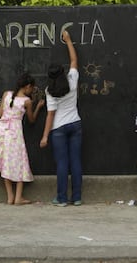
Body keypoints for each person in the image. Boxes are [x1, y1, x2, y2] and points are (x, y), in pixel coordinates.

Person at [40, 30, 82, 207]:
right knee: (76, 161)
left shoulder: (50, 92)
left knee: (62, 164)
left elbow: (50, 115)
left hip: (58, 128)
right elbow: (74, 60)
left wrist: (44, 136)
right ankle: (77, 198)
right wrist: (68, 40)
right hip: (76, 124)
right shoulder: (72, 82)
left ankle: (62, 198)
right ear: (63, 72)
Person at [0, 73, 45, 205]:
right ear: (28, 86)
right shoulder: (27, 101)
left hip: (2, 131)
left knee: (5, 162)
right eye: (32, 88)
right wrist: (38, 107)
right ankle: (18, 197)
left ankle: (10, 197)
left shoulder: (6, 94)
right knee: (19, 161)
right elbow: (31, 120)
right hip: (15, 132)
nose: (32, 91)